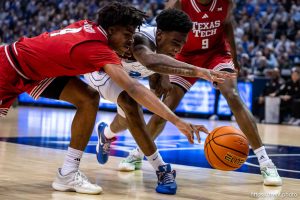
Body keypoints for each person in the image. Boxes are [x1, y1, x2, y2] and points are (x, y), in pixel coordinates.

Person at [0, 2, 214, 195]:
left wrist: (163, 75)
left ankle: (67, 173)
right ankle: (156, 166)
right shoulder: (99, 49)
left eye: (133, 34)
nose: (130, 41)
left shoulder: (91, 29)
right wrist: (178, 121)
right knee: (124, 102)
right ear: (111, 30)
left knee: (88, 98)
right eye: (127, 35)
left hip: (34, 72)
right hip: (9, 69)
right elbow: (133, 87)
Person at [119, 0, 282, 186]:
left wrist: (234, 57)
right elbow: (161, 38)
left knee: (233, 95)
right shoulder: (178, 3)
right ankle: (138, 153)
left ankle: (266, 163)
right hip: (184, 57)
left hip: (216, 54)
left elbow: (227, 24)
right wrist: (162, 73)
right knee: (166, 106)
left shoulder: (226, 2)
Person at [84, 8, 234, 195]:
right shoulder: (140, 39)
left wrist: (163, 75)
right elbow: (149, 60)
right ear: (160, 35)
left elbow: (156, 64)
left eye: (182, 45)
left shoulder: (163, 52)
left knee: (126, 119)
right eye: (175, 43)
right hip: (100, 71)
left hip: (126, 73)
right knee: (132, 105)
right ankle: (162, 169)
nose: (178, 50)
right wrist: (200, 71)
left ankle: (105, 134)